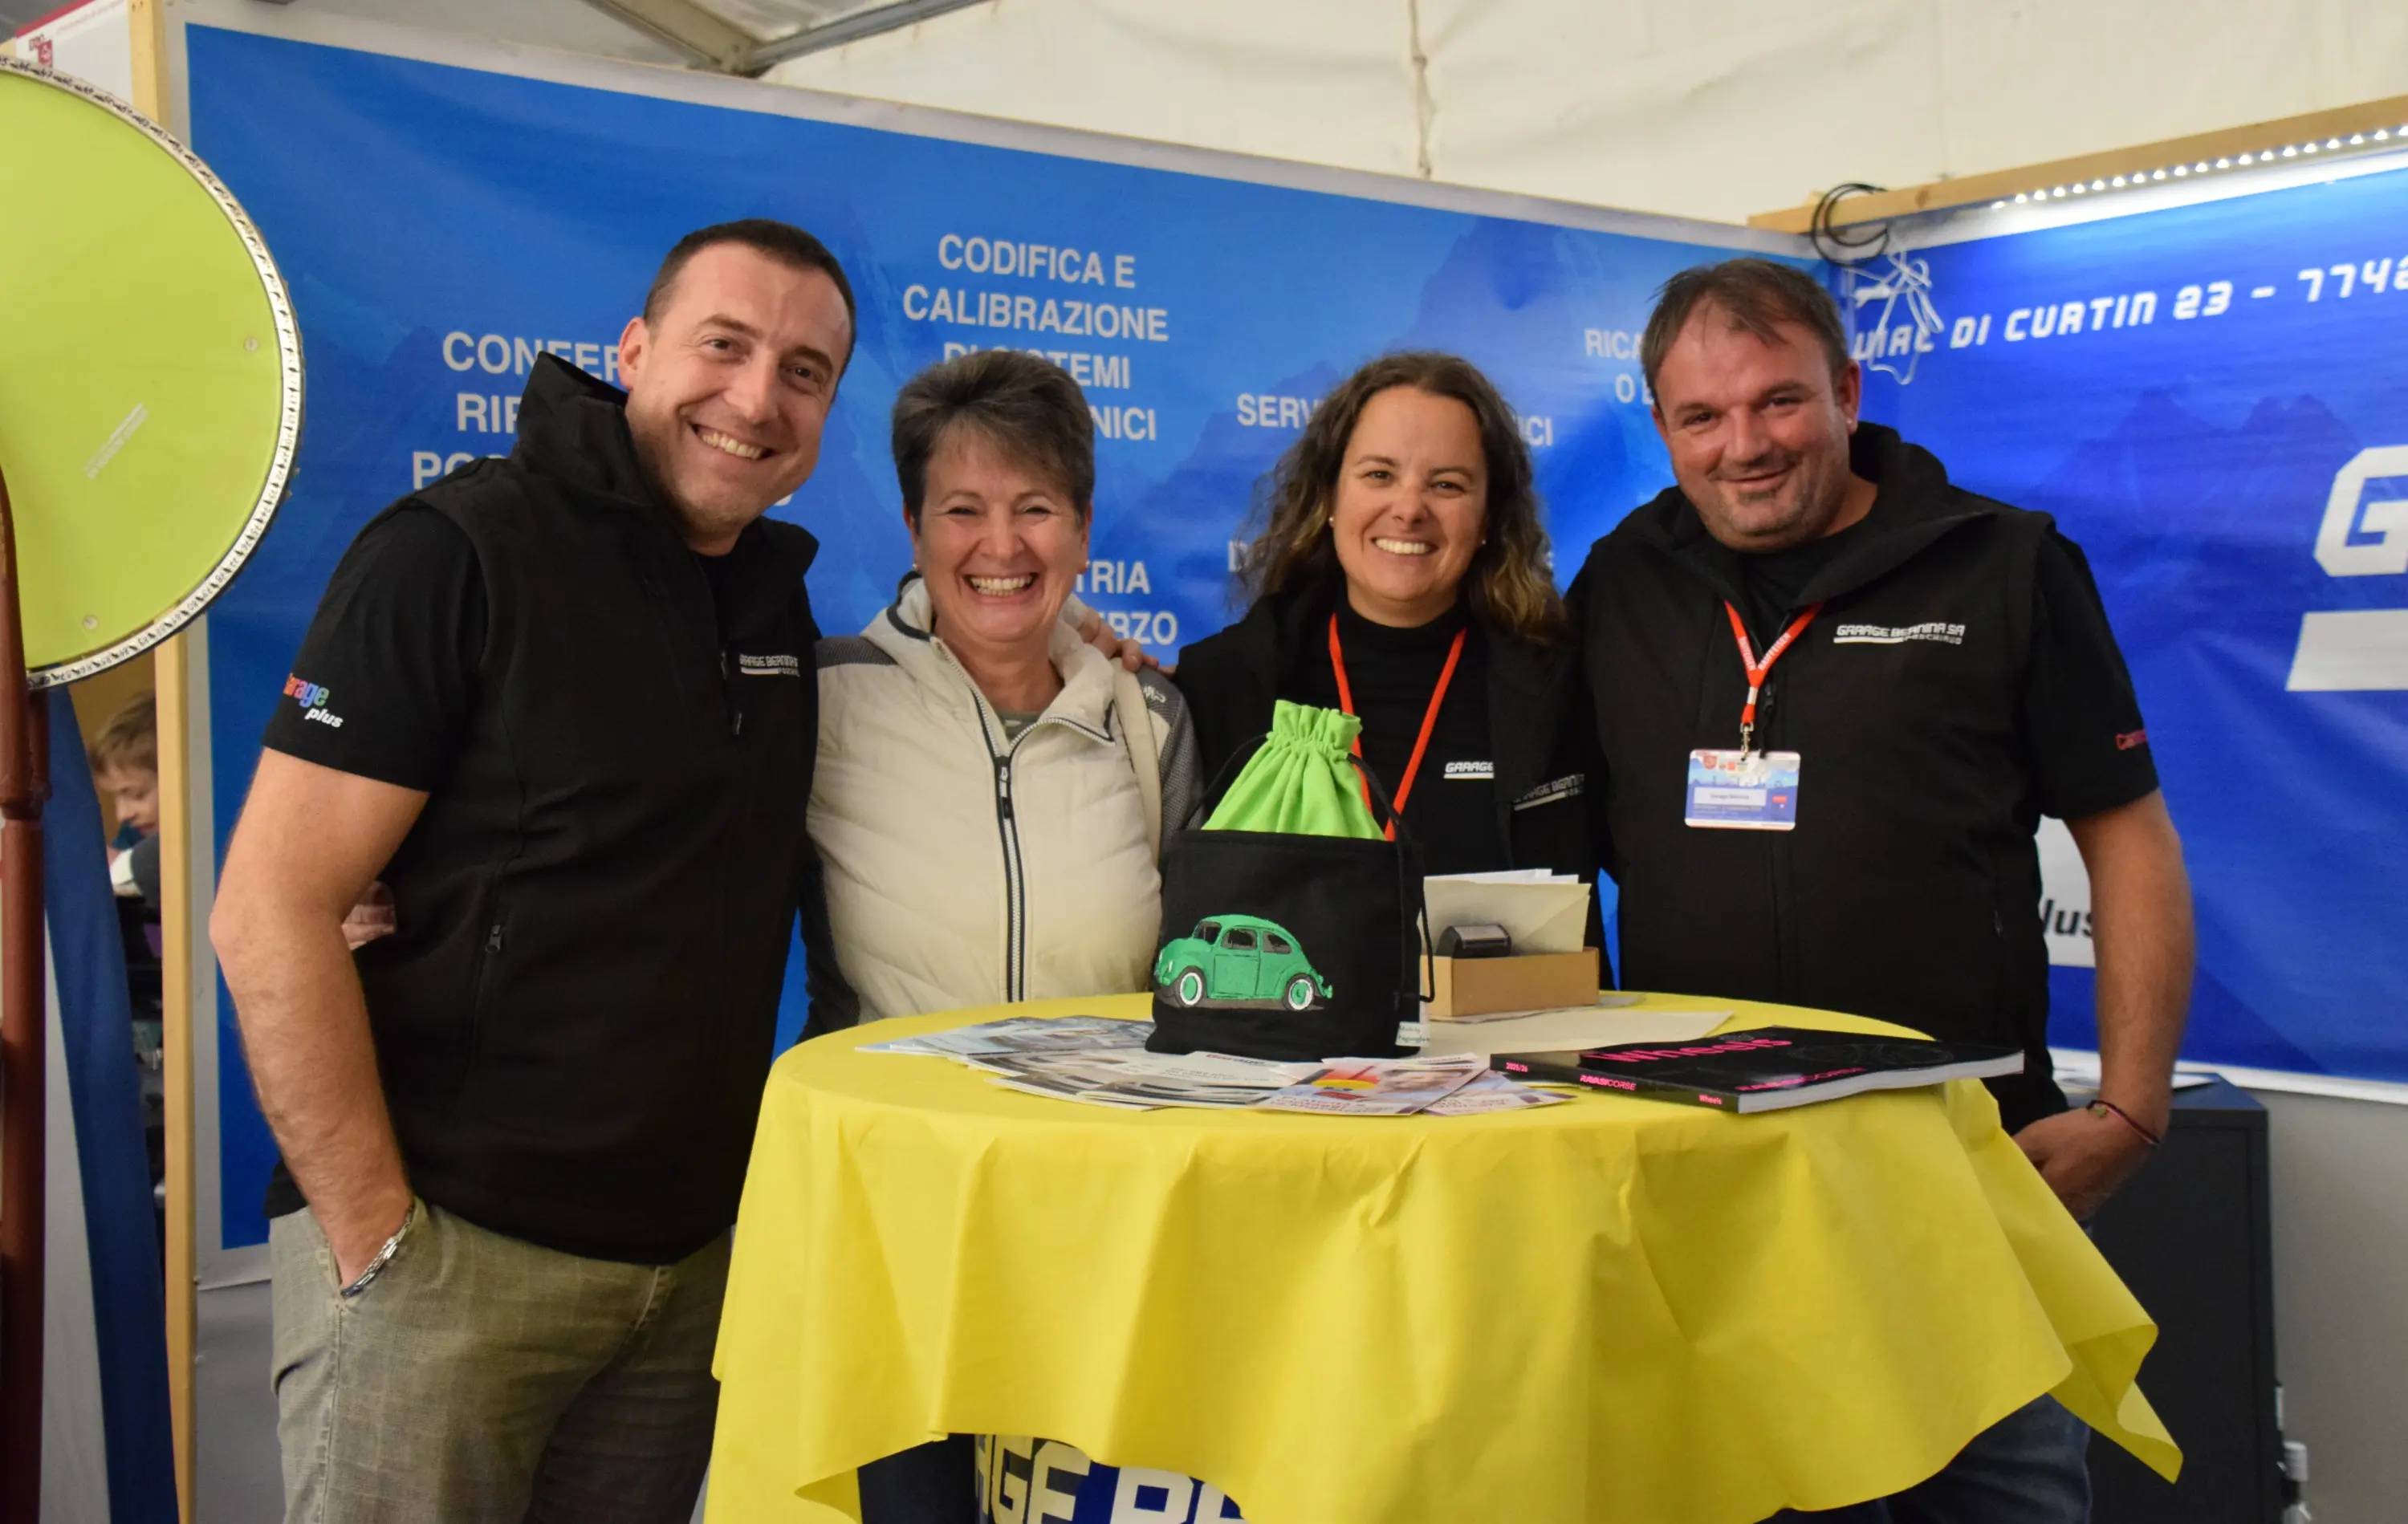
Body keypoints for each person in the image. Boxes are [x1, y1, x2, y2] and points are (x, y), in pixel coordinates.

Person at [210, 218, 856, 1523]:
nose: (756, 397)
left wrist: (1075, 639)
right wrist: (378, 1238)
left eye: (805, 369)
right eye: (723, 346)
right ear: (633, 351)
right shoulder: (457, 552)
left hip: (684, 1285)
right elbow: (268, 906)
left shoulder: (773, 604)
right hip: (448, 1265)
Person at [1570, 258, 2195, 1522]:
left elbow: (2129, 839)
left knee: (2004, 1498)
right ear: (1663, 427)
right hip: (1712, 1186)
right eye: (1703, 416)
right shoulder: (1620, 582)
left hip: (1962, 1166)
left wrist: (2133, 1104)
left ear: (1848, 391)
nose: (1743, 444)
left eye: (1778, 401)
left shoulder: (2004, 564)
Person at [801, 347, 1199, 1520]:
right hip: (899, 1214)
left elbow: (1197, 965)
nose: (1002, 545)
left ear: (1081, 524)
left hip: (1109, 1215)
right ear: (916, 525)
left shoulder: (1150, 714)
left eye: (1036, 509)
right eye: (963, 509)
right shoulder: (825, 701)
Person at [1173, 351, 1605, 945]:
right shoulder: (1223, 685)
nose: (1408, 509)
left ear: (1487, 518)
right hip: (1290, 1030)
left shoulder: (1565, 689)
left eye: (1447, 484)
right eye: (1379, 474)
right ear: (1329, 496)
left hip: (1524, 1035)